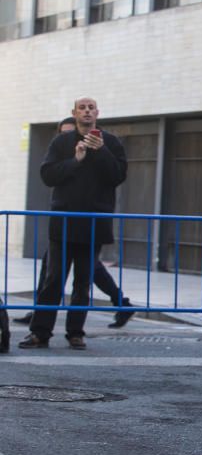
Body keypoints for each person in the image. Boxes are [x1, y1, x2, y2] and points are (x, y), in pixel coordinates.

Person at [19, 98, 128, 350]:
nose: (87, 111)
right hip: (64, 221)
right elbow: (47, 175)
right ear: (74, 113)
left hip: (94, 223)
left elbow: (117, 176)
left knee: (83, 282)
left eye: (91, 108)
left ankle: (76, 333)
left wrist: (100, 151)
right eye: (82, 108)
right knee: (53, 279)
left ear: (97, 113)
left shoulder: (110, 143)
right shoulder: (61, 142)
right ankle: (40, 332)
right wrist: (75, 160)